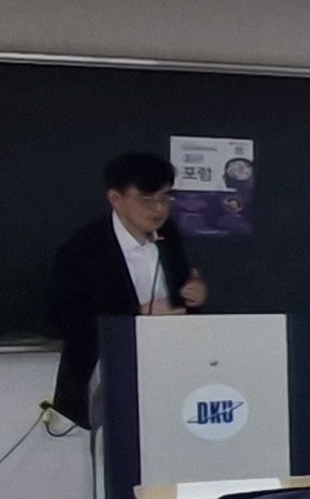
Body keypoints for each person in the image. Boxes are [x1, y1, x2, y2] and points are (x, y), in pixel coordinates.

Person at [42, 148, 208, 427]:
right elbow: (62, 317)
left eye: (165, 197)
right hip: (106, 377)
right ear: (115, 199)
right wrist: (136, 314)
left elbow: (180, 291)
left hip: (168, 374)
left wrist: (195, 295)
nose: (159, 209)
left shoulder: (169, 235)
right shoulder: (83, 248)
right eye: (147, 199)